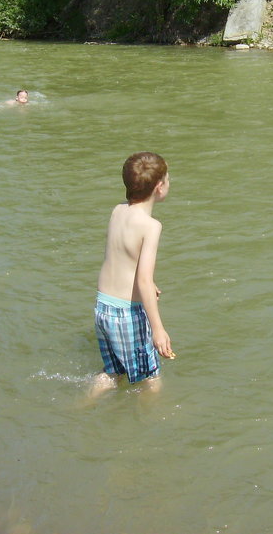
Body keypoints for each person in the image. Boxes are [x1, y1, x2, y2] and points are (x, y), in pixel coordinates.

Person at [91, 152, 175, 395]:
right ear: (159, 187)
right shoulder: (151, 226)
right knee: (151, 378)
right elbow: (143, 280)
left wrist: (149, 284)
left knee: (113, 373)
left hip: (103, 307)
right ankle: (152, 425)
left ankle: (80, 408)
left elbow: (123, 257)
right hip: (126, 314)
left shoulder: (118, 211)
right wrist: (158, 330)